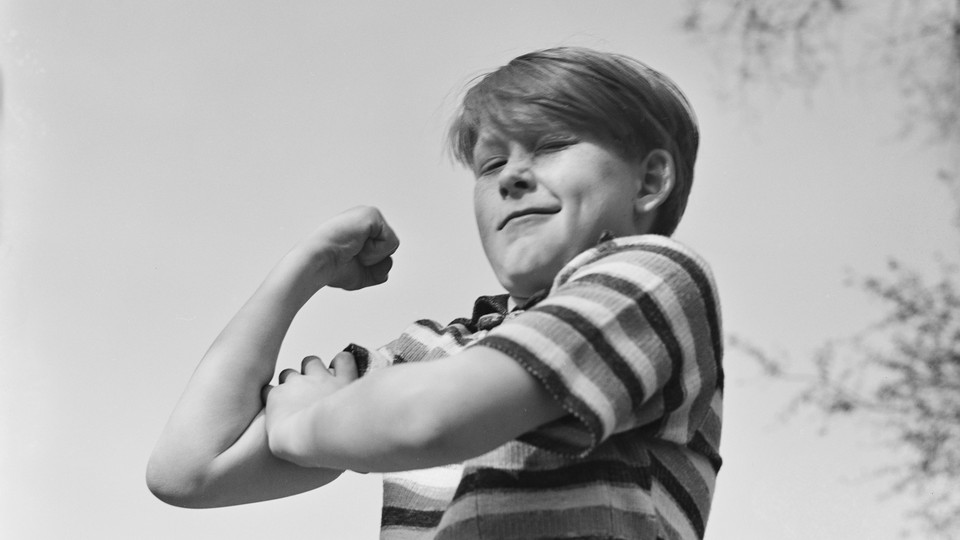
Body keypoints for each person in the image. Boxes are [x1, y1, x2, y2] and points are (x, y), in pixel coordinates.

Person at [147, 46, 723, 540]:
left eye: (550, 145)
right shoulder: (435, 351)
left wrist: (306, 422)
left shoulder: (651, 279)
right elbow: (190, 471)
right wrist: (302, 272)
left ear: (649, 181)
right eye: (491, 161)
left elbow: (431, 418)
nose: (510, 177)